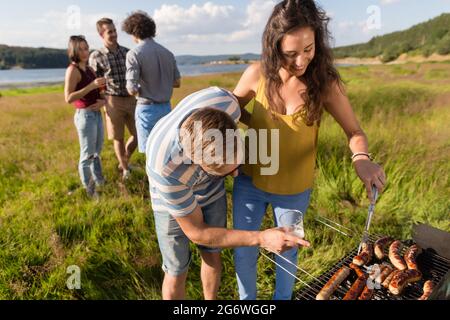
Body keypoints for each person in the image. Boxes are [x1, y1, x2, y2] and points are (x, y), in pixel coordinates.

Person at [232, 0, 387, 300]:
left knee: (287, 258)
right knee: (244, 253)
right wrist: (256, 125)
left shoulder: (324, 82)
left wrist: (361, 159)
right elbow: (227, 112)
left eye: (308, 49)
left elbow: (354, 132)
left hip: (294, 190)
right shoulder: (255, 74)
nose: (301, 61)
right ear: (273, 45)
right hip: (249, 183)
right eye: (290, 54)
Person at [146, 86, 310, 300]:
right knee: (176, 268)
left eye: (237, 164)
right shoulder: (167, 171)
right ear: (200, 165)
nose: (235, 175)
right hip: (170, 193)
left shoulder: (226, 102)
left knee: (212, 253)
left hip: (209, 183)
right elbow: (198, 232)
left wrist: (266, 127)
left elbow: (212, 239)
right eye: (227, 171)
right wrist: (261, 238)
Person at [122, 11, 181, 154]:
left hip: (147, 109)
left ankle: (151, 177)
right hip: (166, 108)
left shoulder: (134, 54)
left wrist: (143, 86)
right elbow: (177, 83)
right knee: (166, 150)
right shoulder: (167, 53)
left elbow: (131, 89)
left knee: (150, 152)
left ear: (134, 32)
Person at [89, 18, 137, 180]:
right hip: (112, 100)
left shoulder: (127, 52)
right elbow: (95, 81)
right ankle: (125, 170)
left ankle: (125, 159)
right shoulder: (96, 56)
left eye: (114, 30)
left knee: (138, 135)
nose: (114, 34)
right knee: (118, 137)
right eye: (110, 32)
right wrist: (103, 101)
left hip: (131, 99)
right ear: (101, 34)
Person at [64, 35, 106, 198]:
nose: (84, 52)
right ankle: (90, 190)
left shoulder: (89, 69)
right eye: (80, 49)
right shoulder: (73, 70)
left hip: (96, 114)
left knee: (96, 152)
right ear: (74, 51)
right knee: (87, 154)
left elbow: (100, 92)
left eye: (86, 48)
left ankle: (100, 182)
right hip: (85, 116)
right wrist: (91, 85)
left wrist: (103, 102)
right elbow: (68, 98)